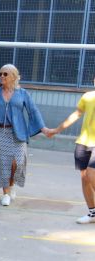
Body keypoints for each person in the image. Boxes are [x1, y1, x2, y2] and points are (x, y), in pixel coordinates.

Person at [0, 64, 50, 206]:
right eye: (0, 74)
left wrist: (43, 128)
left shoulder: (22, 93)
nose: (1, 76)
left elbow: (33, 111)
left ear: (13, 76)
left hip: (18, 133)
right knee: (3, 164)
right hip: (1, 132)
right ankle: (6, 193)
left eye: (5, 74)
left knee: (17, 163)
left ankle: (11, 185)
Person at [47, 77, 95, 224]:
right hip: (83, 142)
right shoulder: (87, 96)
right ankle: (92, 213)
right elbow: (76, 115)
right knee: (84, 178)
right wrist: (56, 130)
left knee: (91, 175)